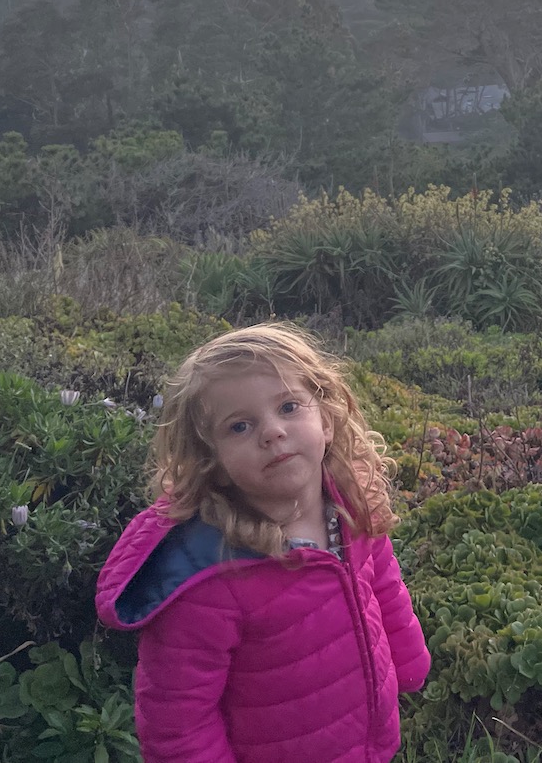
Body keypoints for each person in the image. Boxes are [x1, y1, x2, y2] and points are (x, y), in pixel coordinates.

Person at [96, 322, 430, 763]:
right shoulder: (208, 576)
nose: (271, 432)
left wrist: (407, 663)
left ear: (326, 420)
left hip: (365, 740)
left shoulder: (348, 507)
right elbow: (177, 724)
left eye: (289, 406)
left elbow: (383, 585)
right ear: (210, 461)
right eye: (239, 427)